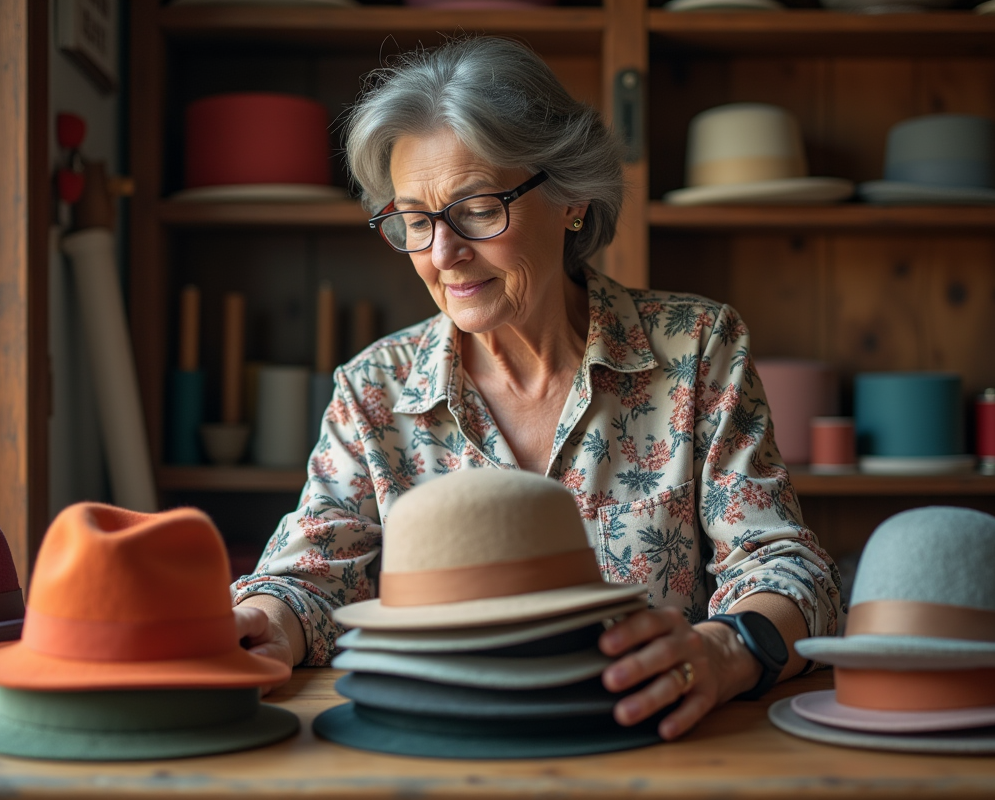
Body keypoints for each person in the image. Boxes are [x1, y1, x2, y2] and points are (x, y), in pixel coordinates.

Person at [233, 36, 844, 741]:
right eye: (414, 220)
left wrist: (725, 650)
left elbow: (790, 567)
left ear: (571, 199)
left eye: (478, 208)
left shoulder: (695, 348)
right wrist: (268, 620)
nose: (443, 252)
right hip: (433, 744)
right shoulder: (376, 389)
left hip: (652, 741)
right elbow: (308, 576)